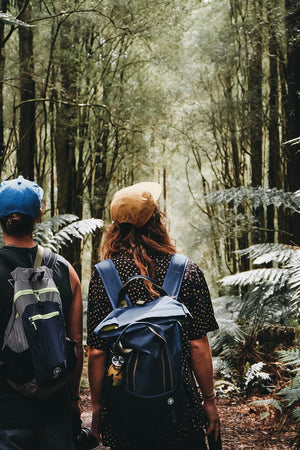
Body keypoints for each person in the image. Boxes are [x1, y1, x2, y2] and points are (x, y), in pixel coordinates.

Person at [87, 182, 221, 450]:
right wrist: (209, 400)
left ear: (115, 229)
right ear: (157, 220)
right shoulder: (187, 271)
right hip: (180, 408)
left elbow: (97, 352)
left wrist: (98, 407)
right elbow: (198, 343)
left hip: (124, 411)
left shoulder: (103, 276)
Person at [0, 176, 83, 450]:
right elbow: (75, 344)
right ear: (37, 217)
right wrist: (72, 399)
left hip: (7, 414)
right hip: (55, 409)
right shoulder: (65, 270)